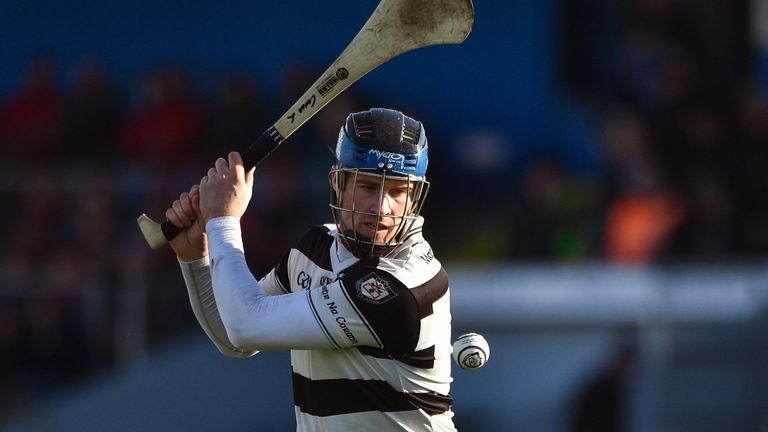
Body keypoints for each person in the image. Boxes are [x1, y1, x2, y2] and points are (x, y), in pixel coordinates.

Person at [165, 108, 456, 431]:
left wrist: (223, 219)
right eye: (369, 187)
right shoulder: (313, 248)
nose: (382, 207)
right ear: (337, 181)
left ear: (415, 196)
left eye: (398, 191)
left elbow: (244, 325)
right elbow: (235, 337)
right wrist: (195, 257)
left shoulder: (399, 287)